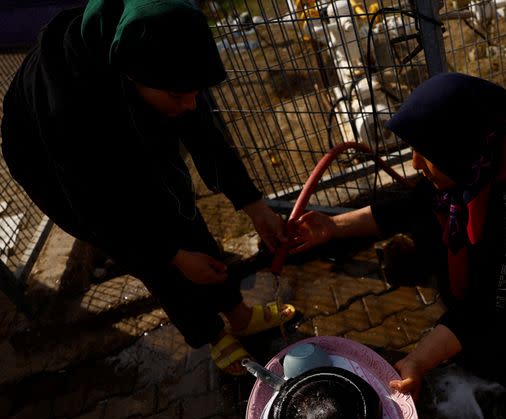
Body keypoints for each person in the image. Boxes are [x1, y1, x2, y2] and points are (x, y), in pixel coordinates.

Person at [289, 72, 506, 399]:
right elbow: (407, 207)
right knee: (427, 219)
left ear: (457, 147)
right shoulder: (478, 160)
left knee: (491, 351)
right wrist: (334, 227)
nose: (415, 163)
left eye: (426, 153)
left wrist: (418, 361)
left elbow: (486, 303)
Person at [1, 0, 295, 375]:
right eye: (177, 95)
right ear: (131, 75)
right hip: (48, 163)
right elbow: (103, 210)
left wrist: (254, 204)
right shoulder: (67, 105)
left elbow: (203, 129)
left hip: (114, 110)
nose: (190, 104)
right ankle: (209, 333)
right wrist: (173, 255)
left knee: (176, 204)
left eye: (195, 91)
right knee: (147, 247)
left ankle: (237, 313)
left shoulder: (158, 49)